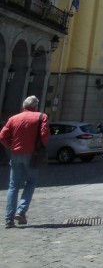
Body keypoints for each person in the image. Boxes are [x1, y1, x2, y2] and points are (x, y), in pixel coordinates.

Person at [0, 96, 50, 228]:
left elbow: (2, 136)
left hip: (15, 154)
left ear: (24, 106)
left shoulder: (13, 118)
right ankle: (21, 211)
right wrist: (40, 147)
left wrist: (10, 146)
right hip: (32, 154)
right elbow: (45, 135)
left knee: (13, 186)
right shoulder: (41, 117)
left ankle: (8, 219)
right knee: (31, 182)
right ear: (36, 106)